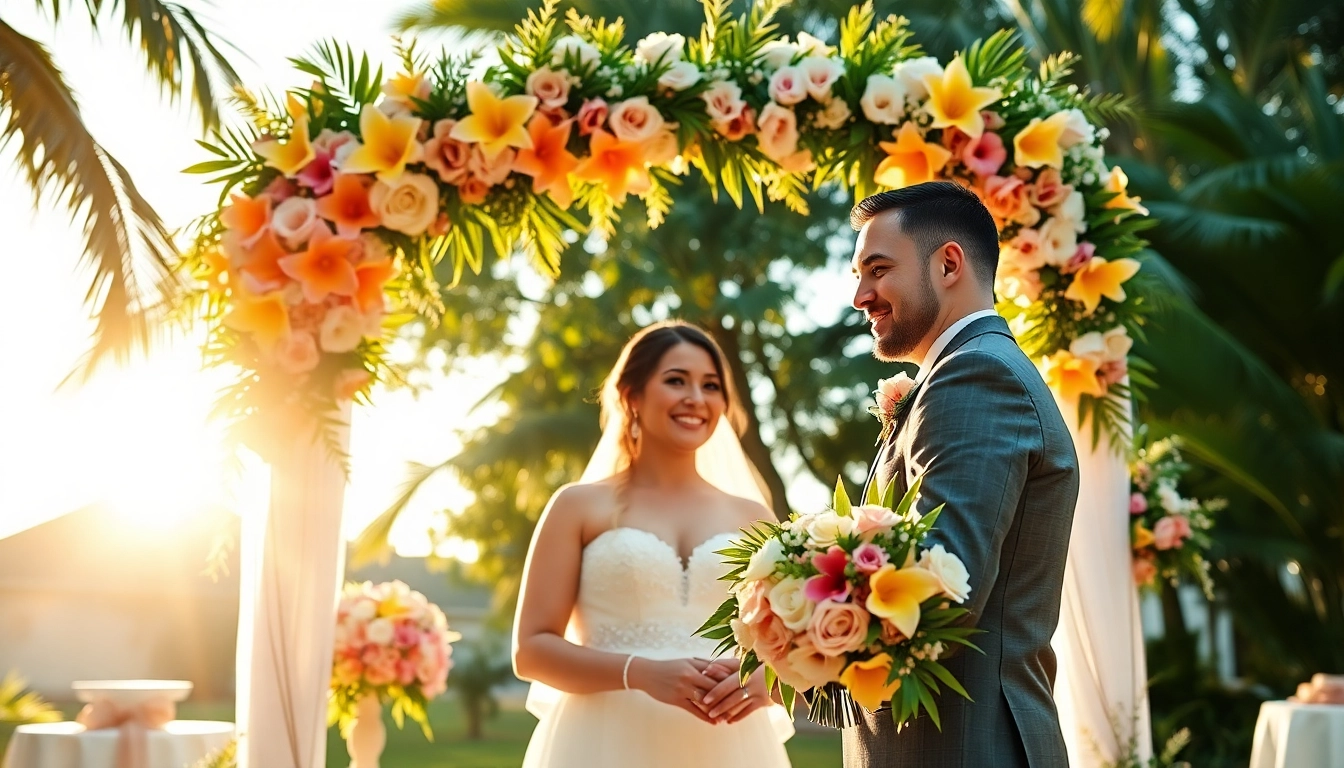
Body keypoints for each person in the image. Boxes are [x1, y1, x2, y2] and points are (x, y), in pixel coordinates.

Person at [836, 181, 1081, 766]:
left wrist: (799, 617)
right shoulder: (969, 369)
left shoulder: (974, 375)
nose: (860, 296)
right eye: (857, 274)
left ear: (949, 263)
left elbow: (944, 590)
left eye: (877, 268)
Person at [514, 320, 794, 767]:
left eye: (710, 385)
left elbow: (796, 648)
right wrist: (639, 673)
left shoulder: (752, 517)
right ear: (632, 395)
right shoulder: (577, 506)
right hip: (600, 741)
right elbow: (531, 651)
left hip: (730, 746)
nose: (695, 399)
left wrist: (771, 683)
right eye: (676, 380)